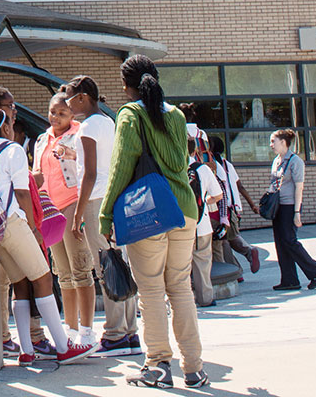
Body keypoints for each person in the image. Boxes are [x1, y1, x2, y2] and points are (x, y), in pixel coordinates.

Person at [99, 55, 204, 389]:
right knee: (181, 288)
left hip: (151, 211)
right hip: (185, 209)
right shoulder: (175, 115)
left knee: (153, 291)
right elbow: (180, 161)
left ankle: (158, 365)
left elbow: (120, 167)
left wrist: (105, 214)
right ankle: (195, 369)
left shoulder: (130, 115)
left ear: (126, 85)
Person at [0, 104, 89, 364]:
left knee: (20, 284)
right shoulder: (12, 150)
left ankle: (26, 351)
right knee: (44, 279)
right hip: (13, 221)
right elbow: (23, 192)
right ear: (5, 126)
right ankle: (62, 347)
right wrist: (35, 230)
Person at [65, 74, 141, 356]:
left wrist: (77, 214)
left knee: (106, 267)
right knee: (119, 262)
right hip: (114, 197)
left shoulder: (86, 127)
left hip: (96, 200)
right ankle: (129, 333)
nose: (68, 105)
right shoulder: (107, 122)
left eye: (71, 99)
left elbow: (90, 174)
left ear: (83, 97)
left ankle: (114, 334)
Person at [36, 94, 97, 348]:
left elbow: (87, 166)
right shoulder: (42, 139)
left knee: (81, 269)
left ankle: (87, 331)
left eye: (62, 113)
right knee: (63, 274)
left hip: (72, 204)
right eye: (53, 112)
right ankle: (70, 330)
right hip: (50, 208)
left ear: (72, 115)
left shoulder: (79, 134)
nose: (56, 117)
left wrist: (72, 154)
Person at [267, 128, 316, 292]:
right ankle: (289, 279)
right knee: (280, 242)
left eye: (274, 141)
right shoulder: (276, 161)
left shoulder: (295, 161)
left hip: (289, 206)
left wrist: (297, 212)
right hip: (278, 207)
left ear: (283, 142)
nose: (271, 144)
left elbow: (299, 187)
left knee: (289, 240)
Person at [208, 136, 263, 278]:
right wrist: (252, 205)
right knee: (226, 239)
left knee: (224, 241)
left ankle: (245, 256)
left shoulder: (213, 166)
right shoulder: (227, 165)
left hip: (223, 210)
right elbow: (240, 186)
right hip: (233, 209)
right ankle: (237, 270)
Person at [187, 129, 223, 308]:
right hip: (202, 224)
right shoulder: (203, 170)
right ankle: (206, 298)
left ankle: (183, 300)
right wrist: (206, 201)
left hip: (179, 226)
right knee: (202, 262)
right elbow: (218, 195)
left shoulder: (169, 168)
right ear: (195, 151)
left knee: (179, 267)